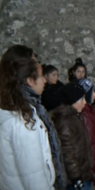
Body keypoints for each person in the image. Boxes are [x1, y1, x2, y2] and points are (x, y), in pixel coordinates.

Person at [0, 45, 67, 190]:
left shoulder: (15, 108)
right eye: (42, 75)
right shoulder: (22, 121)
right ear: (30, 80)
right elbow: (35, 178)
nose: (44, 80)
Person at [52, 79, 94, 190]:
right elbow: (67, 153)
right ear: (72, 102)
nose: (85, 102)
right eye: (82, 99)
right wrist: (76, 177)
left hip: (83, 172)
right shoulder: (65, 122)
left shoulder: (74, 116)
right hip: (76, 178)